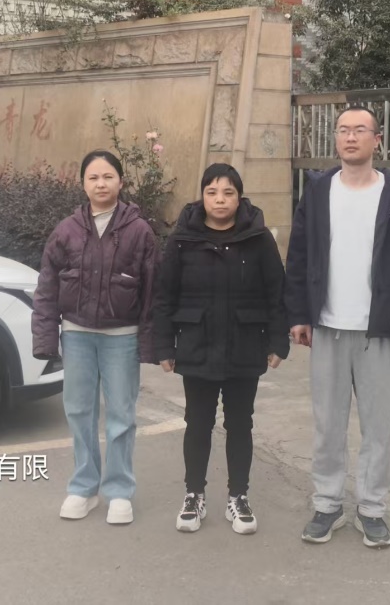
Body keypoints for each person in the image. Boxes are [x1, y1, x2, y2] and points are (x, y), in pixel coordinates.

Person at [284, 105, 390, 548]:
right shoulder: (318, 190)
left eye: (360, 130)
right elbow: (299, 255)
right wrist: (298, 314)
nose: (351, 137)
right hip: (327, 327)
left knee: (378, 427)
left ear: (377, 139)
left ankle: (372, 509)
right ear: (335, 138)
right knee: (328, 425)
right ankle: (327, 504)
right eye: (343, 130)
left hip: (378, 330)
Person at [152, 163, 289, 535]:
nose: (220, 200)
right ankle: (193, 495)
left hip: (245, 345)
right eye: (212, 192)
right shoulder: (183, 239)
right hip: (196, 345)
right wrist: (163, 345)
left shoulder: (258, 238)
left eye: (228, 192)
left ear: (239, 197)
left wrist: (278, 341)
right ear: (202, 196)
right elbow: (164, 296)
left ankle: (238, 496)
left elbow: (277, 293)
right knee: (197, 423)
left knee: (240, 424)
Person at [32, 149, 160, 525]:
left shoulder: (139, 231)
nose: (101, 184)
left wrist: (152, 343)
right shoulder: (66, 231)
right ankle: (84, 488)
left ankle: (119, 491)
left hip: (122, 336)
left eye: (108, 176)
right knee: (78, 411)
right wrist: (45, 338)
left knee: (121, 414)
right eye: (93, 177)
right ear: (83, 184)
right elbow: (47, 287)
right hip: (77, 335)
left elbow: (153, 292)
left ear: (121, 182)